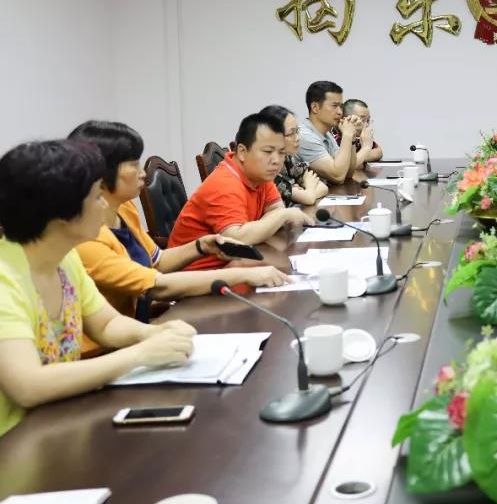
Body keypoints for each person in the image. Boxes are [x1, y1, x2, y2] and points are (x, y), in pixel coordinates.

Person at [0, 140, 196, 438]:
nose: (105, 205)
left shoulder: (65, 258)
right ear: (62, 213)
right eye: (96, 197)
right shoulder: (6, 278)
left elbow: (105, 324)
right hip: (15, 441)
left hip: (59, 422)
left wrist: (153, 334)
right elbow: (28, 385)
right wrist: (140, 354)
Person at [68, 121, 290, 328]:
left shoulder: (124, 208)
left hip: (134, 323)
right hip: (113, 337)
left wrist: (201, 246)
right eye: (134, 165)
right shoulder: (85, 237)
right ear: (101, 172)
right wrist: (245, 275)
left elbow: (158, 262)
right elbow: (157, 286)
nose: (142, 173)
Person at [168, 113, 312, 269]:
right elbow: (236, 239)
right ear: (242, 152)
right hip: (197, 274)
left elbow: (275, 209)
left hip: (232, 264)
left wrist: (271, 220)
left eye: (281, 152)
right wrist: (283, 216)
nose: (276, 160)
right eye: (267, 152)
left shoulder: (260, 174)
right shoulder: (224, 183)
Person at [298, 81, 370, 184]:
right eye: (334, 106)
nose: (340, 112)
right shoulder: (304, 136)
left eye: (341, 106)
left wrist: (352, 138)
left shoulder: (327, 134)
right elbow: (338, 176)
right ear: (315, 107)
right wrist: (347, 135)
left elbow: (348, 173)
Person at [259, 105, 329, 206]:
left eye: (297, 131)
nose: (297, 138)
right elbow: (308, 199)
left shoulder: (287, 158)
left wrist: (306, 192)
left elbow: (323, 188)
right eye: (291, 133)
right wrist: (308, 188)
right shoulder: (267, 170)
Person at [333, 99, 383, 165]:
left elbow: (378, 152)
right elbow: (345, 166)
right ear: (344, 119)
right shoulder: (334, 137)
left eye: (368, 120)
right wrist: (366, 148)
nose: (366, 125)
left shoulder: (358, 137)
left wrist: (360, 158)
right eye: (362, 119)